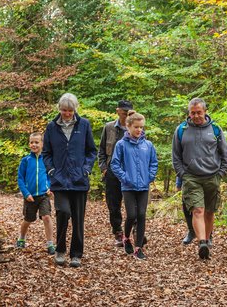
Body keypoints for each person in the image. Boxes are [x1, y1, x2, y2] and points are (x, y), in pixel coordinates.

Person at [42, 93, 98, 267]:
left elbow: (91, 151)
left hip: (79, 180)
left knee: (78, 219)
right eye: (64, 110)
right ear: (59, 109)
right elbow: (46, 153)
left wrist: (86, 169)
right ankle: (60, 250)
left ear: (75, 109)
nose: (67, 114)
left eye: (70, 110)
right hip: (59, 181)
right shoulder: (51, 127)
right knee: (63, 213)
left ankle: (76, 254)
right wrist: (51, 170)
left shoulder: (84, 125)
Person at [172, 98, 227, 260]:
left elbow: (225, 154)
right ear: (189, 113)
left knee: (210, 211)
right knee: (198, 210)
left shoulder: (215, 129)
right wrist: (182, 175)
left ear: (205, 112)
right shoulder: (181, 130)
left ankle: (207, 237)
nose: (196, 116)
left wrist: (221, 173)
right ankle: (202, 242)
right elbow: (176, 156)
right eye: (192, 113)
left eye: (199, 112)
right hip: (191, 177)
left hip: (212, 176)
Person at [109, 110, 159, 260]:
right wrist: (125, 178)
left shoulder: (148, 145)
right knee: (131, 215)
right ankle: (126, 238)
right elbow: (115, 164)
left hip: (143, 186)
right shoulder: (121, 145)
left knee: (142, 215)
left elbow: (154, 163)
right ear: (128, 127)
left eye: (141, 127)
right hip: (128, 186)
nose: (139, 130)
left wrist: (150, 177)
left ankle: (138, 248)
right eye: (136, 127)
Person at [97, 100, 132, 247]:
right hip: (112, 171)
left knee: (132, 204)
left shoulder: (135, 127)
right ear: (118, 111)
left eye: (129, 113)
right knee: (113, 204)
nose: (126, 115)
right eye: (124, 113)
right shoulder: (109, 127)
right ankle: (118, 232)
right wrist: (104, 168)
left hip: (130, 172)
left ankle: (134, 231)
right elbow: (102, 150)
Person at [16, 132, 55, 254]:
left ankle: (50, 244)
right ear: (29, 144)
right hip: (30, 196)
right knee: (28, 219)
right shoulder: (26, 160)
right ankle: (21, 238)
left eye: (37, 142)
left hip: (44, 195)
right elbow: (20, 178)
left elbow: (51, 175)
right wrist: (26, 193)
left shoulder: (47, 160)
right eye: (32, 142)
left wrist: (50, 186)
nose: (34, 145)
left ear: (42, 144)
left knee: (46, 217)